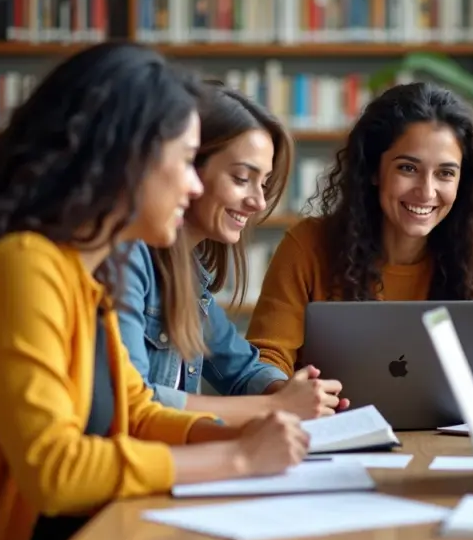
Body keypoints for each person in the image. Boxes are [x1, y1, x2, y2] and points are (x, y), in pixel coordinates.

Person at [0, 43, 310, 540]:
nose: (192, 185)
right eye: (184, 161)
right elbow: (55, 470)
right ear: (126, 161)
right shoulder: (22, 269)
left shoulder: (85, 279)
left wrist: (242, 436)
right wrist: (237, 458)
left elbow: (137, 412)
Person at [246, 81, 473, 415]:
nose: (426, 192)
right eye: (408, 168)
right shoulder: (307, 245)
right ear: (373, 169)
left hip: (446, 439)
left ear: (463, 182)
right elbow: (266, 359)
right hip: (335, 438)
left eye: (445, 173)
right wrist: (294, 398)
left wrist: (463, 404)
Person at [116, 82, 346, 425]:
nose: (260, 202)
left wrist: (292, 393)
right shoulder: (128, 255)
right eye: (242, 178)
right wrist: (277, 406)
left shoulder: (188, 274)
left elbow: (240, 369)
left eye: (264, 183)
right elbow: (136, 400)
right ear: (186, 167)